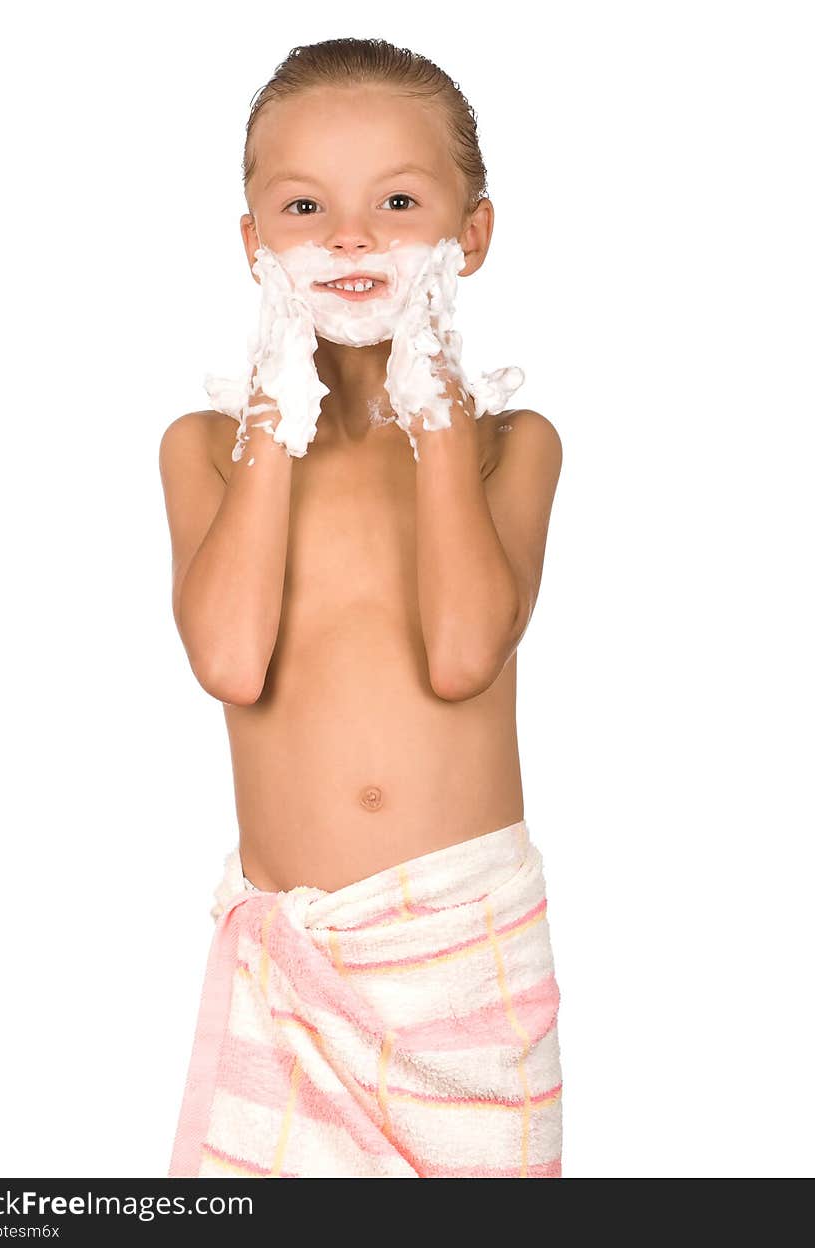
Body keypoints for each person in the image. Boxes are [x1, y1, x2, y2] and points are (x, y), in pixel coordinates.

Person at [160, 37, 565, 1179]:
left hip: (463, 970)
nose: (349, 236)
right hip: (296, 986)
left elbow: (463, 651)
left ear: (468, 238)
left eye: (397, 201)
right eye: (304, 206)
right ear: (254, 246)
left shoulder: (507, 447)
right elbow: (231, 660)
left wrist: (431, 401)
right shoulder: (206, 452)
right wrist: (272, 413)